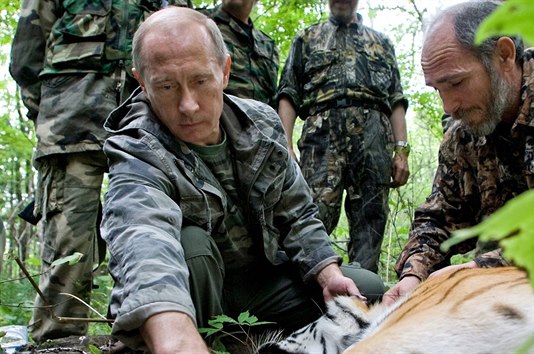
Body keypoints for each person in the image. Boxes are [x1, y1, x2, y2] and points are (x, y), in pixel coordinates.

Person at [100, 7, 383, 352]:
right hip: (193, 292)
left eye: (201, 81)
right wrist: (175, 339)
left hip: (260, 283)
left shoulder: (262, 124)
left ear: (225, 70)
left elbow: (296, 212)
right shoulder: (135, 147)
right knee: (192, 247)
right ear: (142, 83)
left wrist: (327, 275)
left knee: (368, 291)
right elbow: (142, 239)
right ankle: (200, 340)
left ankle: (252, 339)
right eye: (167, 86)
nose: (188, 105)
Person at [383, 0, 534, 306]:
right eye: (437, 89)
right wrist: (413, 277)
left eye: (456, 82)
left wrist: (480, 272)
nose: (449, 106)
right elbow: (439, 216)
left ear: (504, 54)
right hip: (508, 302)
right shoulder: (463, 134)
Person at [8, 0, 191, 341]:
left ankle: (140, 338)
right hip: (72, 126)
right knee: (69, 245)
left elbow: (185, 45)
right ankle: (57, 343)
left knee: (152, 235)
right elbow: (26, 57)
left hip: (147, 131)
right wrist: (50, 114)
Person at [277, 0, 410, 273]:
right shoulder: (307, 38)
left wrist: (401, 150)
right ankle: (306, 292)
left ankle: (365, 294)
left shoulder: (381, 42)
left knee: (371, 218)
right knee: (312, 212)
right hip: (322, 134)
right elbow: (288, 93)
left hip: (374, 134)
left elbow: (396, 99)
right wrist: (285, 145)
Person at [198, 0, 279, 106]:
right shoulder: (199, 22)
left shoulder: (268, 45)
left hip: (259, 120)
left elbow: (273, 99)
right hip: (218, 117)